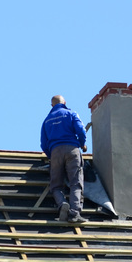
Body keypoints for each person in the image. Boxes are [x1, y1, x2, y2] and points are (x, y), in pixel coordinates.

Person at [40, 95, 88, 224]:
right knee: (76, 183)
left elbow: (43, 144)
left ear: (52, 106)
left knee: (56, 185)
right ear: (64, 102)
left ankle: (62, 204)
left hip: (55, 151)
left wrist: (52, 156)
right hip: (72, 149)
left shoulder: (47, 120)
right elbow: (81, 131)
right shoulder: (71, 113)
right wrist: (82, 143)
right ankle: (74, 213)